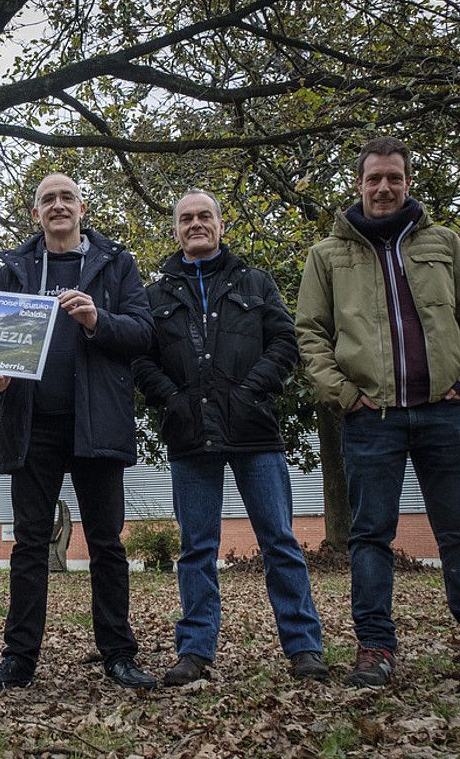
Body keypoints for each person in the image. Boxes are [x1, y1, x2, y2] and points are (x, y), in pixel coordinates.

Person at [295, 136, 460, 689]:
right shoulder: (327, 255)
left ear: (407, 182)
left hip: (444, 414)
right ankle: (375, 648)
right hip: (369, 420)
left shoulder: (443, 243)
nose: (383, 188)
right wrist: (345, 395)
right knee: (370, 536)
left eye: (393, 178)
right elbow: (309, 333)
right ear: (359, 184)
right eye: (374, 178)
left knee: (459, 534)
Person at [0, 173, 159, 692]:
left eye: (66, 198)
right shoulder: (14, 269)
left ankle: (119, 655)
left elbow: (143, 332)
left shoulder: (116, 264)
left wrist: (98, 320)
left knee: (106, 542)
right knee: (30, 543)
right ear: (36, 214)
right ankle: (19, 660)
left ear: (81, 208)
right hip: (34, 427)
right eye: (47, 199)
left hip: (97, 425)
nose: (58, 206)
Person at [133, 190, 328, 686]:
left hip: (254, 431)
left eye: (205, 216)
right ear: (175, 231)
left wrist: (250, 391)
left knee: (279, 541)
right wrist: (172, 401)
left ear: (221, 225)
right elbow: (140, 359)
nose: (196, 224)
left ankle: (304, 647)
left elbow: (286, 341)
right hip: (189, 435)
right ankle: (194, 650)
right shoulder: (155, 297)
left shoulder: (255, 282)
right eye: (186, 219)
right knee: (197, 548)